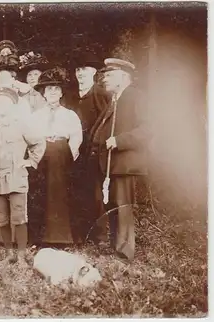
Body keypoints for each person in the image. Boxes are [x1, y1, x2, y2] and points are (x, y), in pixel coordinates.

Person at [88, 58, 149, 261]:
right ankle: (117, 247)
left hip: (124, 164)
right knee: (113, 206)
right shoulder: (114, 100)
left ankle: (125, 251)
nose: (104, 79)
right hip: (110, 164)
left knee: (123, 207)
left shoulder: (136, 97)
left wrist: (120, 140)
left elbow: (148, 130)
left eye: (109, 75)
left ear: (123, 77)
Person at [0, 87, 46, 265]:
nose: (2, 106)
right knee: (2, 218)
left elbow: (39, 142)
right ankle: (9, 253)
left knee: (19, 217)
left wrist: (30, 161)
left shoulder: (21, 125)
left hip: (16, 178)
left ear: (13, 105)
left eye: (6, 102)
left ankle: (22, 255)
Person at [30, 70, 83, 245]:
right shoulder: (36, 116)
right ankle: (42, 238)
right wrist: (35, 157)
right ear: (43, 94)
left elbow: (76, 136)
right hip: (42, 154)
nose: (52, 92)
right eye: (48, 89)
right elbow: (30, 137)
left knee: (61, 194)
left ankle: (63, 237)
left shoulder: (69, 115)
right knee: (42, 193)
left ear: (61, 92)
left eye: (56, 89)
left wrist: (70, 153)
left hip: (62, 156)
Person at [65, 52, 111, 244]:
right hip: (75, 152)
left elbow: (108, 123)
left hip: (94, 152)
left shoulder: (102, 95)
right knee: (77, 191)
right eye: (78, 70)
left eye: (84, 69)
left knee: (96, 193)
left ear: (93, 72)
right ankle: (80, 234)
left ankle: (99, 235)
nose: (80, 73)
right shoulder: (71, 97)